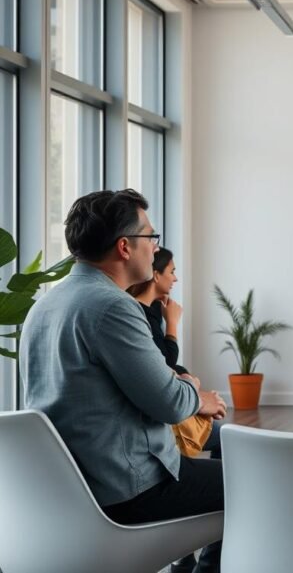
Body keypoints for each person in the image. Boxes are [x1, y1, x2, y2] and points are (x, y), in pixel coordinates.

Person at [20, 189, 227, 573]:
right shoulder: (113, 306)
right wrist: (194, 392)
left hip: (70, 489)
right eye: (151, 237)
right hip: (128, 491)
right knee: (256, 481)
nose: (155, 248)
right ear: (125, 247)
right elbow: (169, 402)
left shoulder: (43, 307)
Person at [128, 247, 222, 463]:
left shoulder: (151, 309)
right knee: (225, 436)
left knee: (221, 430)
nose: (175, 278)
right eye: (171, 271)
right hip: (169, 411)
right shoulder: (141, 312)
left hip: (178, 397)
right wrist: (172, 322)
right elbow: (164, 362)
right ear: (156, 274)